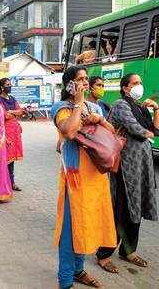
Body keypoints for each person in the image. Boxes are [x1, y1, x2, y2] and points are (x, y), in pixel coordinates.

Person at [50, 66, 117, 289]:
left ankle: (79, 270)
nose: (85, 83)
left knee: (88, 224)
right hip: (76, 178)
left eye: (87, 79)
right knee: (71, 228)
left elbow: (112, 133)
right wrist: (78, 103)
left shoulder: (95, 106)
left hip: (96, 176)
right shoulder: (61, 107)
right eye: (80, 79)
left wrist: (99, 119)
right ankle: (66, 279)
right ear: (69, 84)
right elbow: (68, 132)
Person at [95, 73, 159, 273]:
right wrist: (147, 133)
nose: (139, 86)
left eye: (140, 82)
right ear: (125, 88)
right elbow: (136, 129)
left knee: (136, 207)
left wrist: (156, 108)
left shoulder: (141, 107)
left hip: (141, 165)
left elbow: (155, 130)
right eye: (135, 83)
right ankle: (104, 254)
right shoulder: (122, 105)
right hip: (125, 166)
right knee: (121, 208)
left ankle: (129, 250)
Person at [0, 78, 25, 192]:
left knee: (12, 158)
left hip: (14, 131)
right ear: (2, 87)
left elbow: (20, 111)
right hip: (5, 131)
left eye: (10, 84)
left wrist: (12, 112)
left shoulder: (12, 99)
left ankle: (12, 182)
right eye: (7, 85)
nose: (10, 86)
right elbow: (4, 115)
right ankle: (4, 182)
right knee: (5, 157)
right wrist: (14, 113)